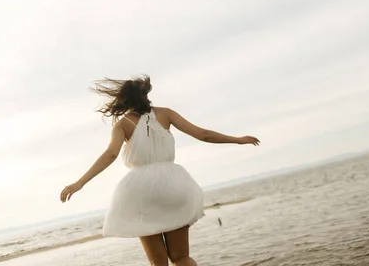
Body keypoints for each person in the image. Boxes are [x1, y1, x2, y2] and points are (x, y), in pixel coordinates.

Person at [60, 75, 260, 266]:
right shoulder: (165, 113)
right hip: (173, 185)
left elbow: (111, 155)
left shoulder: (122, 125)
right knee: (181, 257)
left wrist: (80, 182)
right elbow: (203, 134)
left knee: (158, 262)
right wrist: (237, 140)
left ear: (123, 100)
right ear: (145, 95)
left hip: (140, 191)